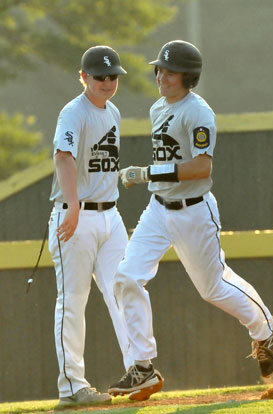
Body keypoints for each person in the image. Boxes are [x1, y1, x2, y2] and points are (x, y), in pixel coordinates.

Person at [108, 40, 273, 399]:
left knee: (214, 287)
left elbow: (202, 167)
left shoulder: (198, 112)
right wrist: (152, 178)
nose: (162, 76)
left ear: (189, 77)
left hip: (194, 211)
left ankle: (263, 329)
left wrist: (148, 172)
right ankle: (143, 368)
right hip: (158, 210)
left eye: (170, 72)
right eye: (160, 69)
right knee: (126, 277)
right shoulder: (158, 108)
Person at [48, 45, 133, 408]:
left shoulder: (113, 111)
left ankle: (138, 369)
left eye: (112, 75)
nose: (107, 81)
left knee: (126, 288)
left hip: (110, 215)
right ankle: (73, 387)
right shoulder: (73, 112)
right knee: (73, 302)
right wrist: (72, 205)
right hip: (75, 216)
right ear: (83, 77)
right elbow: (62, 156)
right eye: (99, 76)